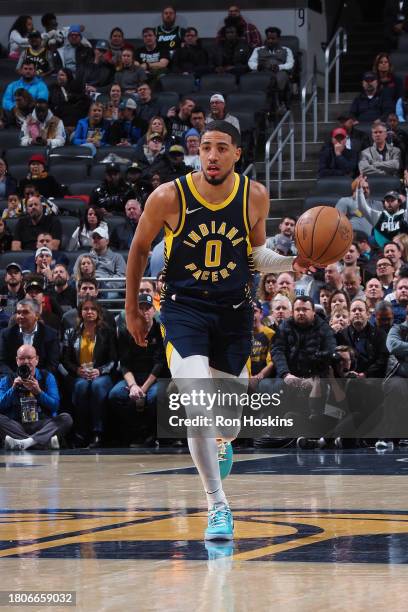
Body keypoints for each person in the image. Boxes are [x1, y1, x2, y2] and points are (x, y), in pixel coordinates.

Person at [125, 119, 313, 540]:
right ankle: (217, 504)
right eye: (205, 147)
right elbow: (139, 248)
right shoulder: (169, 196)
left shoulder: (254, 196)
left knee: (227, 421)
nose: (211, 155)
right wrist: (132, 309)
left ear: (237, 154)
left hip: (233, 313)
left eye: (221, 148)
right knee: (196, 401)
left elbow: (256, 254)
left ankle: (222, 441)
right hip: (182, 308)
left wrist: (291, 263)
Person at [109, 293, 169, 446]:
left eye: (148, 308)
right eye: (141, 308)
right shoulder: (126, 331)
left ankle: (152, 434)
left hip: (155, 378)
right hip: (133, 377)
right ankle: (134, 433)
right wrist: (133, 386)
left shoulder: (160, 330)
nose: (145, 312)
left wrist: (143, 389)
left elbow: (159, 364)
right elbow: (124, 363)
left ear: (153, 311)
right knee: (115, 395)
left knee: (153, 396)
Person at [61, 298, 117, 448]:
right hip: (80, 375)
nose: (89, 312)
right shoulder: (71, 333)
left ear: (98, 313)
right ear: (80, 313)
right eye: (86, 309)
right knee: (81, 387)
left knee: (97, 386)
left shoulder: (107, 332)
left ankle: (98, 433)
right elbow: (65, 360)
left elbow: (114, 360)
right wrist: (77, 370)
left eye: (93, 309)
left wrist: (100, 371)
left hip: (102, 374)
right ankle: (81, 432)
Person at [0, 345, 72, 451]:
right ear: (17, 360)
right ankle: (43, 442)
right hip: (17, 425)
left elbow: (55, 406)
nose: (26, 361)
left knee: (66, 418)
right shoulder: (8, 379)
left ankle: (23, 443)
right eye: (22, 358)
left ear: (36, 360)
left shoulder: (47, 377)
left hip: (42, 424)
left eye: (29, 358)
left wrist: (39, 392)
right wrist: (13, 389)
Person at [0, 298, 60, 376]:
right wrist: (15, 377)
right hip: (13, 378)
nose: (21, 316)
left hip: (41, 379)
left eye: (25, 312)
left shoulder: (50, 334)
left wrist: (35, 377)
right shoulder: (6, 334)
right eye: (18, 313)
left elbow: (53, 364)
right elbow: (2, 362)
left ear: (37, 315)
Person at [248, 27, 294, 114]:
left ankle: (278, 104)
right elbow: (251, 62)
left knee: (279, 78)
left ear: (278, 39)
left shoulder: (286, 50)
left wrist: (280, 67)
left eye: (273, 39)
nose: (270, 41)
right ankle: (258, 103)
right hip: (263, 71)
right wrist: (257, 66)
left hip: (279, 71)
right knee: (252, 78)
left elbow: (290, 64)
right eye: (268, 38)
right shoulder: (258, 50)